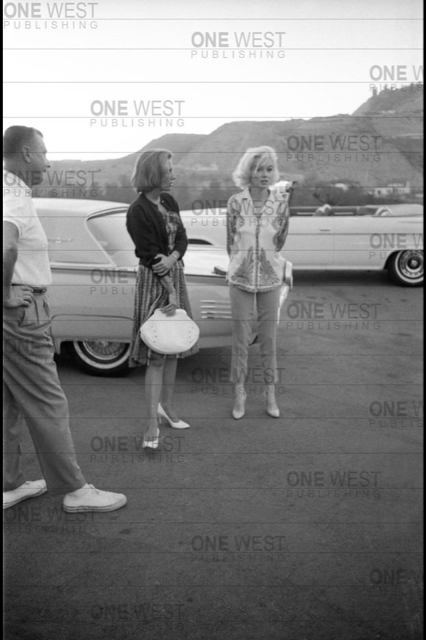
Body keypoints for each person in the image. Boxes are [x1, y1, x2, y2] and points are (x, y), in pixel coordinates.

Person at [3, 126, 127, 512]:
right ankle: (75, 490)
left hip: (10, 314)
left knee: (7, 402)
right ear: (27, 153)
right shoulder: (13, 196)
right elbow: (5, 244)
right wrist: (5, 294)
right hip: (20, 312)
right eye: (43, 152)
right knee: (48, 401)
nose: (47, 161)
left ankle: (7, 485)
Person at [126, 149, 198, 449]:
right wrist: (169, 288)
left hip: (174, 275)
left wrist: (173, 258)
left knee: (174, 346)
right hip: (156, 284)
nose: (173, 175)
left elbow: (182, 237)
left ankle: (166, 407)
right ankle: (151, 423)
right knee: (157, 353)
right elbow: (148, 252)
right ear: (154, 173)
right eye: (169, 170)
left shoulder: (169, 201)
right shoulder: (137, 210)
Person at [226, 146, 291, 419]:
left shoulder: (281, 204)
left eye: (268, 169)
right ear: (248, 172)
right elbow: (231, 241)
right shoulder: (235, 203)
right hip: (240, 278)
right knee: (240, 339)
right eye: (257, 169)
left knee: (268, 338)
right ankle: (239, 393)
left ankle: (270, 393)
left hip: (270, 278)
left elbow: (280, 240)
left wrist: (268, 262)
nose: (264, 174)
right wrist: (240, 264)